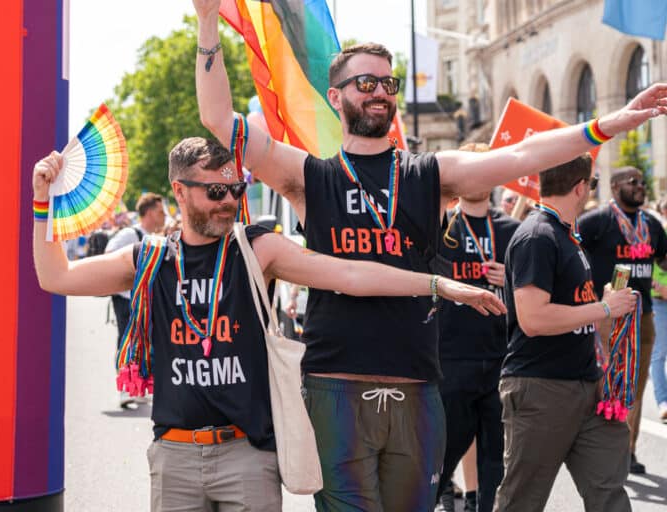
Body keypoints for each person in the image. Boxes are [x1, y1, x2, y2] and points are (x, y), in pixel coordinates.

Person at [193, 2, 666, 507]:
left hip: (418, 383)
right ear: (335, 97)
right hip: (335, 384)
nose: (379, 92)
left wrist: (607, 125)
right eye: (365, 83)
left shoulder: (430, 174)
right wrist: (206, 23)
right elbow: (218, 119)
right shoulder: (309, 177)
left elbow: (521, 156)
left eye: (387, 84)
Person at [32, 137, 504, 511]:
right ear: (179, 190)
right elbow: (55, 277)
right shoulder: (150, 258)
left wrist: (440, 285)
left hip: (247, 455)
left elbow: (350, 273)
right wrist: (41, 204)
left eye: (235, 189)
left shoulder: (258, 250)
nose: (229, 201)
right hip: (174, 456)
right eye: (216, 191)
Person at [494, 154, 637, 512]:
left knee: (610, 493)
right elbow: (533, 319)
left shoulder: (565, 236)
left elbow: (577, 315)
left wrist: (605, 305)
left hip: (586, 386)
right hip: (541, 390)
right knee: (521, 501)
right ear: (579, 188)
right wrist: (605, 308)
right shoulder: (538, 236)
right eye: (590, 184)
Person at [436, 143, 520, 512]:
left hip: (502, 359)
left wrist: (511, 279)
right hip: (451, 357)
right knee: (444, 450)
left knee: (495, 461)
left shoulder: (515, 231)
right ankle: (439, 496)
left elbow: (534, 293)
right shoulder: (440, 227)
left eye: (484, 169)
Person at [578, 166, 667, 474]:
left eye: (643, 182)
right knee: (603, 384)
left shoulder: (652, 225)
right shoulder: (596, 222)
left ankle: (626, 451)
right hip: (605, 315)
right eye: (634, 182)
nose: (641, 186)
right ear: (615, 187)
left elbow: (664, 259)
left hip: (642, 318)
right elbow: (569, 251)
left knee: (635, 386)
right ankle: (596, 449)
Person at [106, 192, 167, 407]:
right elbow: (109, 255)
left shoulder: (150, 237)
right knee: (126, 340)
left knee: (141, 342)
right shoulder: (130, 234)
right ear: (149, 213)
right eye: (160, 212)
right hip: (125, 298)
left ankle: (137, 386)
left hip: (141, 300)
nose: (164, 216)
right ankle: (124, 389)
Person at [651, 197, 667, 424]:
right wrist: (660, 287)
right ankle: (663, 402)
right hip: (661, 301)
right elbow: (647, 264)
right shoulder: (659, 232)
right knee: (659, 352)